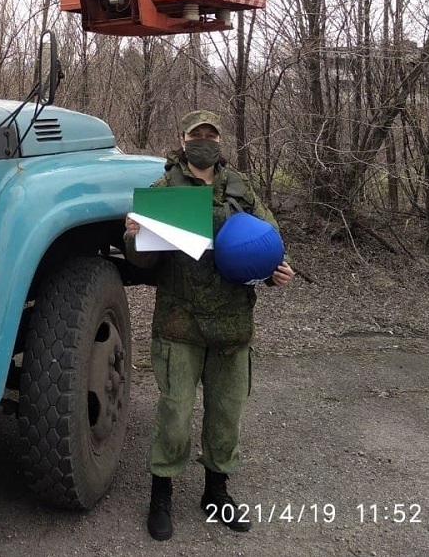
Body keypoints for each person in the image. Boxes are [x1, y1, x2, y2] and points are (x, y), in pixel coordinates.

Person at [125, 110, 294, 541]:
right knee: (175, 417)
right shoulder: (165, 191)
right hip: (180, 325)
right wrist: (133, 234)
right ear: (182, 142)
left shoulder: (240, 188)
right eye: (195, 135)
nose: (203, 141)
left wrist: (278, 269)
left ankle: (216, 493)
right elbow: (142, 261)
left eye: (210, 135)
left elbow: (268, 240)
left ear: (220, 142)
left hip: (232, 326)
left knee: (225, 417)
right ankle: (160, 495)